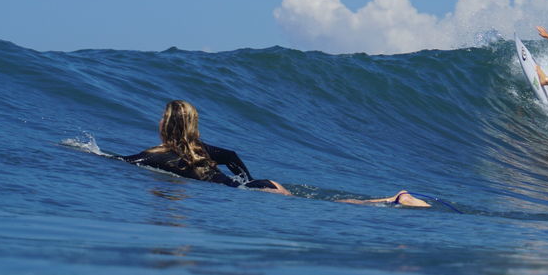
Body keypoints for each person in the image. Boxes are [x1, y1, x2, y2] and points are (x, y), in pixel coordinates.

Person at [119, 100, 431, 205]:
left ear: (168, 124)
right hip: (260, 186)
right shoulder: (202, 149)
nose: (158, 121)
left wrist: (84, 152)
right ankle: (391, 200)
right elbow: (231, 155)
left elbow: (127, 162)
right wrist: (245, 183)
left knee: (326, 207)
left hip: (258, 192)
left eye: (162, 117)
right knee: (323, 204)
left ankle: (394, 200)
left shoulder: (162, 154)